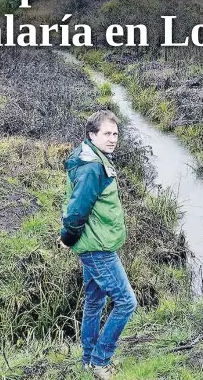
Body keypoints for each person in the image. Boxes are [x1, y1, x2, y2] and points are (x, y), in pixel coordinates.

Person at [59, 110, 137, 380]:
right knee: (127, 303)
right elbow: (77, 211)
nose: (113, 139)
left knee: (94, 302)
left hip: (94, 242)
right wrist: (67, 237)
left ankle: (87, 359)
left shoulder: (91, 156)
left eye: (115, 134)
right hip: (97, 248)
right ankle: (100, 361)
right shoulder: (93, 167)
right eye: (107, 133)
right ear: (93, 135)